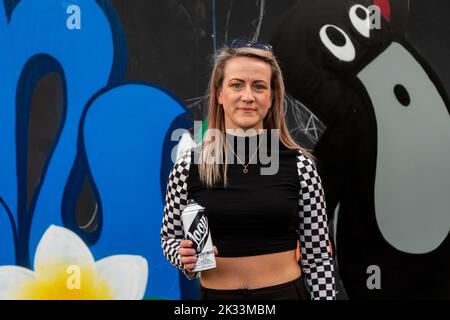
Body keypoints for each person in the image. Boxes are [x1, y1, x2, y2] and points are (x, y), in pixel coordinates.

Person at [161, 39, 336, 300]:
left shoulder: (300, 166)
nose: (248, 96)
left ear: (272, 96)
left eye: (259, 86)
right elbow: (170, 238)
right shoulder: (188, 166)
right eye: (236, 85)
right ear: (219, 93)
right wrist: (182, 255)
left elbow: (318, 256)